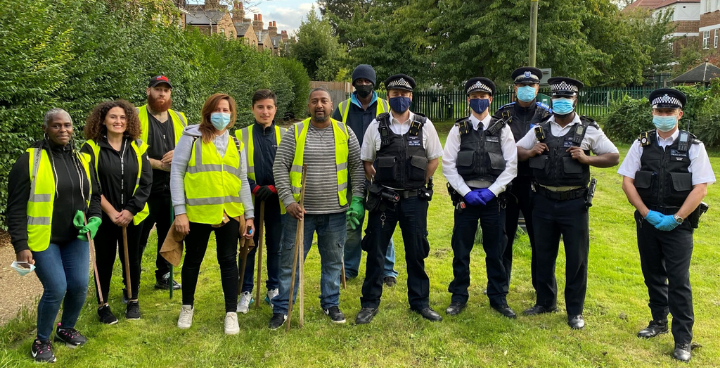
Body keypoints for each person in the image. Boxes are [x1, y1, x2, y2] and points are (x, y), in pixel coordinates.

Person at [617, 88, 715, 362]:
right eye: (659, 112)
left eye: (669, 112)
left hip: (678, 223)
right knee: (652, 274)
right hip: (647, 221)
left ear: (679, 114)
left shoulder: (693, 146)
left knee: (679, 280)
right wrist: (646, 213)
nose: (663, 117)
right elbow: (627, 181)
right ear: (653, 113)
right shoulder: (642, 144)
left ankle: (683, 338)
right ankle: (658, 321)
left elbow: (701, 188)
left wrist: (678, 218)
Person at [516, 77, 619, 329]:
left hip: (574, 203)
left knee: (576, 258)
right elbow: (515, 150)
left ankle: (575, 311)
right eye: (557, 98)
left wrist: (587, 159)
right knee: (543, 254)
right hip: (542, 200)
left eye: (567, 98)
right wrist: (530, 152)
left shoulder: (588, 129)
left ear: (575, 100)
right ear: (551, 100)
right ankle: (545, 301)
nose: (561, 102)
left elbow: (613, 155)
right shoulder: (539, 128)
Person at [7, 108, 102, 363]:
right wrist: (20, 245)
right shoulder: (29, 161)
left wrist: (95, 218)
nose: (63, 130)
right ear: (45, 128)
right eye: (56, 126)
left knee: (80, 286)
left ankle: (66, 328)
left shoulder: (82, 159)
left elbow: (94, 194)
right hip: (43, 238)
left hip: (75, 238)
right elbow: (14, 208)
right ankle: (42, 340)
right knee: (57, 287)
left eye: (68, 125)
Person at [269, 88, 365, 329]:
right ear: (308, 106)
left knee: (333, 261)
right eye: (314, 101)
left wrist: (357, 199)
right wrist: (288, 201)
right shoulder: (296, 132)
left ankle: (330, 303)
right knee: (290, 262)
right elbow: (280, 166)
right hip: (300, 213)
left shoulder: (345, 132)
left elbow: (357, 167)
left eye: (324, 101)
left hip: (335, 212)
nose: (319, 105)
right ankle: (282, 308)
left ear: (332, 105)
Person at [355, 74, 444, 324]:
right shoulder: (377, 125)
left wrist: (417, 183)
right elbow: (367, 160)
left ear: (411, 97)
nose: (400, 99)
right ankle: (369, 304)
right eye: (395, 95)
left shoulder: (424, 125)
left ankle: (420, 303)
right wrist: (380, 183)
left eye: (404, 95)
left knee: (416, 252)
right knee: (376, 251)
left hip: (414, 200)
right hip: (384, 200)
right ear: (389, 97)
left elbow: (434, 158)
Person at [170, 93, 254, 335]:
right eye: (217, 109)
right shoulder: (192, 136)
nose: (222, 114)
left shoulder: (237, 143)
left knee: (228, 261)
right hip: (197, 213)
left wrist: (248, 215)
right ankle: (187, 307)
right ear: (208, 112)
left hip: (229, 212)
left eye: (226, 110)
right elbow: (177, 173)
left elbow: (242, 181)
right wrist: (180, 212)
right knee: (193, 261)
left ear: (232, 114)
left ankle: (230, 313)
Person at [443, 77, 518, 318]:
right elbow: (448, 165)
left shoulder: (502, 128)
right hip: (466, 200)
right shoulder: (458, 129)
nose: (478, 101)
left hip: (493, 200)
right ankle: (458, 296)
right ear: (468, 100)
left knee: (496, 250)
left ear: (490, 100)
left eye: (482, 98)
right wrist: (466, 192)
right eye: (474, 98)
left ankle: (498, 297)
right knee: (461, 249)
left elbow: (511, 166)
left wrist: (491, 191)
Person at [81, 100, 153, 324]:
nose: (118, 121)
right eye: (113, 117)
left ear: (129, 120)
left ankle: (133, 300)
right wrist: (112, 212)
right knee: (104, 259)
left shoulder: (138, 146)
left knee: (132, 258)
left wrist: (130, 210)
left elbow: (146, 182)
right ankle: (103, 305)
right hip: (103, 216)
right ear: (103, 119)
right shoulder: (90, 147)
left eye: (122, 117)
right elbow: (90, 184)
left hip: (133, 216)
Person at [333, 64, 399, 286]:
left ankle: (387, 270)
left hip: (380, 175)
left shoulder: (385, 106)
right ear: (353, 83)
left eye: (367, 81)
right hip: (351, 176)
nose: (363, 85)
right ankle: (350, 268)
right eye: (359, 81)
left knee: (383, 223)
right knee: (352, 226)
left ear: (373, 83)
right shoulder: (342, 109)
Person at [493, 67, 551, 292]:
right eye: (522, 86)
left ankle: (542, 289)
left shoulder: (547, 115)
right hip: (508, 184)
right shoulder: (503, 114)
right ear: (515, 89)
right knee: (504, 236)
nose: (526, 90)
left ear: (537, 89)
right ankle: (500, 287)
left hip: (536, 184)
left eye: (531, 86)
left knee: (539, 239)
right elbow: (494, 145)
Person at [235, 89, 286, 313]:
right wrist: (253, 186)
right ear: (252, 109)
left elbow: (292, 167)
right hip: (250, 200)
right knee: (248, 245)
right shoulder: (239, 135)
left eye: (269, 107)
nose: (265, 111)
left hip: (277, 200)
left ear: (275, 109)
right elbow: (234, 168)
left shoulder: (286, 135)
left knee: (276, 247)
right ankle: (245, 291)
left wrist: (275, 187)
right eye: (260, 107)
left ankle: (273, 288)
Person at [137, 75, 187, 290]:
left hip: (172, 188)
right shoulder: (135, 117)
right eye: (158, 89)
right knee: (138, 237)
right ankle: (132, 281)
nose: (162, 93)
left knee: (169, 234)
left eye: (166, 90)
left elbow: (191, 149)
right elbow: (126, 153)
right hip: (143, 189)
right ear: (148, 91)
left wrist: (179, 153)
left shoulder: (180, 118)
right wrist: (156, 164)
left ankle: (164, 274)